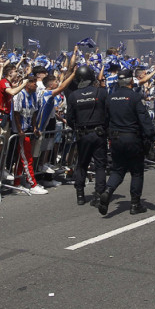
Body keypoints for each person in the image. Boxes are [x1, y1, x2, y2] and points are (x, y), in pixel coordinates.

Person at [99, 69, 155, 216]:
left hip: (116, 139)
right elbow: (144, 119)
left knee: (117, 170)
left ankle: (107, 191)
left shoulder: (110, 98)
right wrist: (153, 137)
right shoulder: (134, 97)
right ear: (131, 81)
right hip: (132, 139)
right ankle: (135, 204)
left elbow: (105, 121)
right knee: (137, 172)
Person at [66, 65, 108, 206]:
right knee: (100, 165)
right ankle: (98, 195)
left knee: (82, 165)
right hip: (98, 133)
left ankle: (80, 195)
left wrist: (77, 128)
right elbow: (108, 113)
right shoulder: (101, 92)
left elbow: (69, 118)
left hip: (82, 134)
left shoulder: (73, 96)